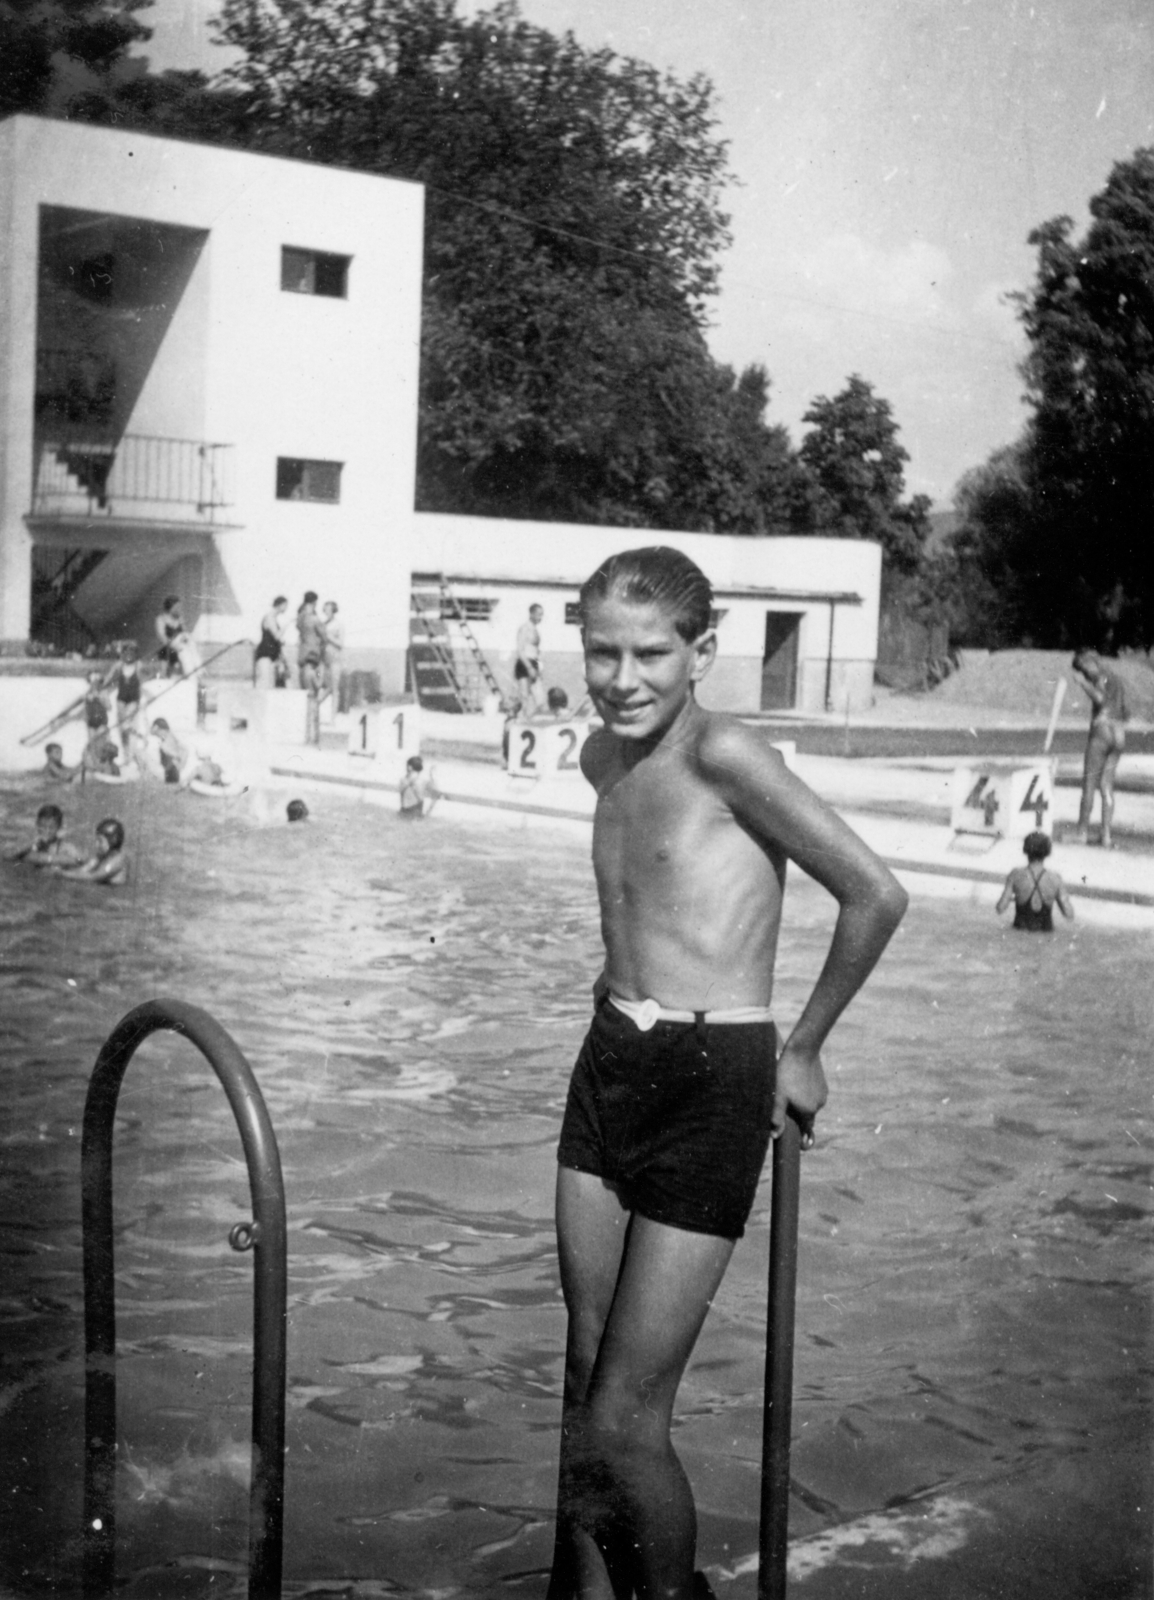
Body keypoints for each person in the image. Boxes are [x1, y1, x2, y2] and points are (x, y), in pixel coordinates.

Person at [548, 547, 907, 1599]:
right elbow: (644, 898)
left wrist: (802, 1046)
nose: (622, 677)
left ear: (699, 652)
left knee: (624, 1418)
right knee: (581, 1379)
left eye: (649, 653)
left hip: (713, 1075)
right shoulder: (598, 760)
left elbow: (873, 894)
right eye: (600, 652)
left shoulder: (727, 753)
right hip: (609, 1057)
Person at [1071, 648, 1128, 847]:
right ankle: (1106, 835)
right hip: (1119, 733)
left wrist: (1083, 683)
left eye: (1084, 668)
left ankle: (1081, 831)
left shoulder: (1101, 677)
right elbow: (1125, 711)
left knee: (1089, 783)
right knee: (1107, 786)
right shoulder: (1117, 679)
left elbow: (1100, 699)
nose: (1084, 673)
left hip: (1102, 730)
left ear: (1089, 663)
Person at [996, 831, 1074, 932]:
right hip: (1046, 938)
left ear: (1025, 850)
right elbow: (1069, 914)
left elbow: (1000, 908)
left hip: (1019, 936)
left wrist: (1015, 896)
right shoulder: (1055, 878)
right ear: (1048, 852)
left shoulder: (1015, 875)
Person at [5, 803, 86, 867]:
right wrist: (31, 843)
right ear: (36, 824)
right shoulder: (30, 844)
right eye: (42, 826)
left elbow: (80, 860)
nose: (46, 831)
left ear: (59, 828)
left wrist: (52, 859)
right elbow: (7, 855)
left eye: (51, 828)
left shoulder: (64, 847)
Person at [55, 817, 129, 886]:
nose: (96, 845)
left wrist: (62, 874)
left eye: (100, 841)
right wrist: (60, 871)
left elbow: (93, 877)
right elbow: (83, 870)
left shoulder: (118, 859)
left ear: (113, 841)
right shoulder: (101, 856)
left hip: (114, 896)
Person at [104, 642, 144, 766]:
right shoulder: (119, 665)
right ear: (123, 653)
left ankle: (131, 757)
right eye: (126, 652)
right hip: (121, 699)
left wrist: (140, 701)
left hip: (133, 700)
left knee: (130, 728)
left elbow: (141, 683)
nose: (128, 655)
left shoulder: (138, 665)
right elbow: (107, 678)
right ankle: (126, 757)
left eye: (131, 652)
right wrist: (103, 685)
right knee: (123, 730)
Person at [515, 603, 545, 714]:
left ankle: (532, 721)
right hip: (524, 664)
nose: (540, 618)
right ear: (531, 614)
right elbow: (520, 651)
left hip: (534, 663)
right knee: (525, 697)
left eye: (542, 615)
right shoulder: (524, 628)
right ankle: (521, 723)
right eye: (538, 614)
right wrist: (529, 668)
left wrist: (539, 667)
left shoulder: (535, 630)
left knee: (540, 699)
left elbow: (536, 650)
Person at [155, 597, 197, 678]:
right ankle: (189, 674)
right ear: (170, 607)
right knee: (183, 652)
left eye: (180, 607)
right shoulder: (161, 619)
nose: (179, 609)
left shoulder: (179, 618)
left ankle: (193, 673)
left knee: (191, 648)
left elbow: (184, 632)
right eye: (177, 607)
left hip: (181, 645)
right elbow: (162, 636)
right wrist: (173, 645)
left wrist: (185, 638)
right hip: (168, 646)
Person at [253, 596, 290, 689]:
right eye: (285, 605)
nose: (286, 608)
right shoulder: (269, 617)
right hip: (265, 654)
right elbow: (277, 636)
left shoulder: (273, 618)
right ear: (280, 605)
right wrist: (286, 626)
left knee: (270, 685)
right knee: (265, 684)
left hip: (272, 656)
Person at [296, 591, 325, 693]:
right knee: (313, 687)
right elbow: (323, 634)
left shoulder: (300, 615)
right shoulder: (313, 618)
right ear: (314, 602)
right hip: (313, 653)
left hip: (303, 653)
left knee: (304, 686)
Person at [149, 718, 191, 786]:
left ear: (162, 729)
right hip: (168, 768)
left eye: (158, 731)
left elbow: (185, 750)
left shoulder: (171, 737)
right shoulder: (164, 737)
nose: (157, 734)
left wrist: (181, 764)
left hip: (173, 767)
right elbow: (151, 732)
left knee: (171, 786)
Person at [321, 600, 344, 702]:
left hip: (334, 659)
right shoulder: (323, 624)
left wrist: (329, 637)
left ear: (334, 611)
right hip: (323, 659)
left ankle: (333, 717)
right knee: (323, 686)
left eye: (329, 610)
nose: (326, 612)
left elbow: (340, 644)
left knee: (334, 688)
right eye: (325, 610)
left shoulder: (338, 624)